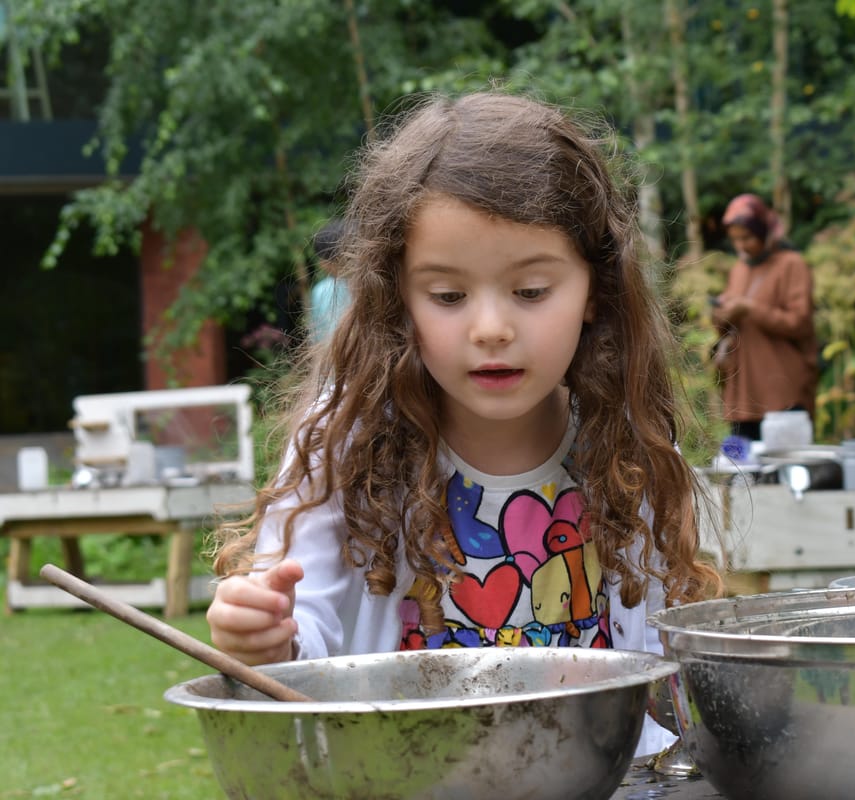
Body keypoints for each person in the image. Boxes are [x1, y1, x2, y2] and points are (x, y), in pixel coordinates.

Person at [205, 91, 723, 757]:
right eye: (448, 296)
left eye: (531, 292)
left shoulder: (625, 445)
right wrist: (267, 636)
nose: (491, 329)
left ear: (594, 290)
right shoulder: (345, 444)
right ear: (397, 299)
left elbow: (657, 660)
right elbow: (308, 635)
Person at [712, 194, 818, 442]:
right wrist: (721, 313)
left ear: (763, 231)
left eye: (746, 238)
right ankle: (735, 476)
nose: (740, 246)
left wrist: (749, 308)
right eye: (734, 240)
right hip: (742, 391)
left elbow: (800, 322)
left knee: (785, 466)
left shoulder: (791, 265)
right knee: (740, 465)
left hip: (782, 391)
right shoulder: (739, 269)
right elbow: (726, 325)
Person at [308, 218, 351, 342]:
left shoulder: (367, 286)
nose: (321, 264)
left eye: (323, 258)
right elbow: (316, 337)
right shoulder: (320, 290)